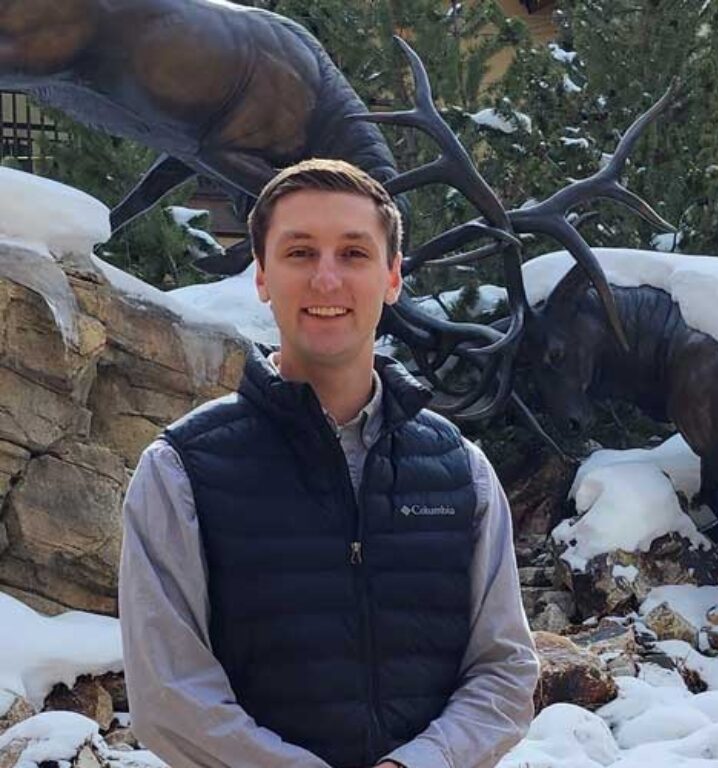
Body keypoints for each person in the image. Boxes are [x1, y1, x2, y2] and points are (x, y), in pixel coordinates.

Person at [119, 158, 539, 768]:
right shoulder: (181, 472)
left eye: (353, 253)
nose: (325, 280)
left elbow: (504, 669)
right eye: (298, 253)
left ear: (393, 277)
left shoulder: (460, 471)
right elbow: (169, 694)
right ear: (260, 274)